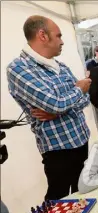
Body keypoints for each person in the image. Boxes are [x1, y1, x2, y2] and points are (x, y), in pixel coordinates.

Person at [7, 15, 91, 200]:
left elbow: (85, 99)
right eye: (59, 36)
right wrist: (78, 89)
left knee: (81, 193)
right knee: (58, 200)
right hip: (58, 149)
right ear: (42, 35)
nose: (62, 42)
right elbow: (56, 103)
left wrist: (61, 109)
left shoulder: (59, 66)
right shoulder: (19, 68)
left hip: (81, 140)